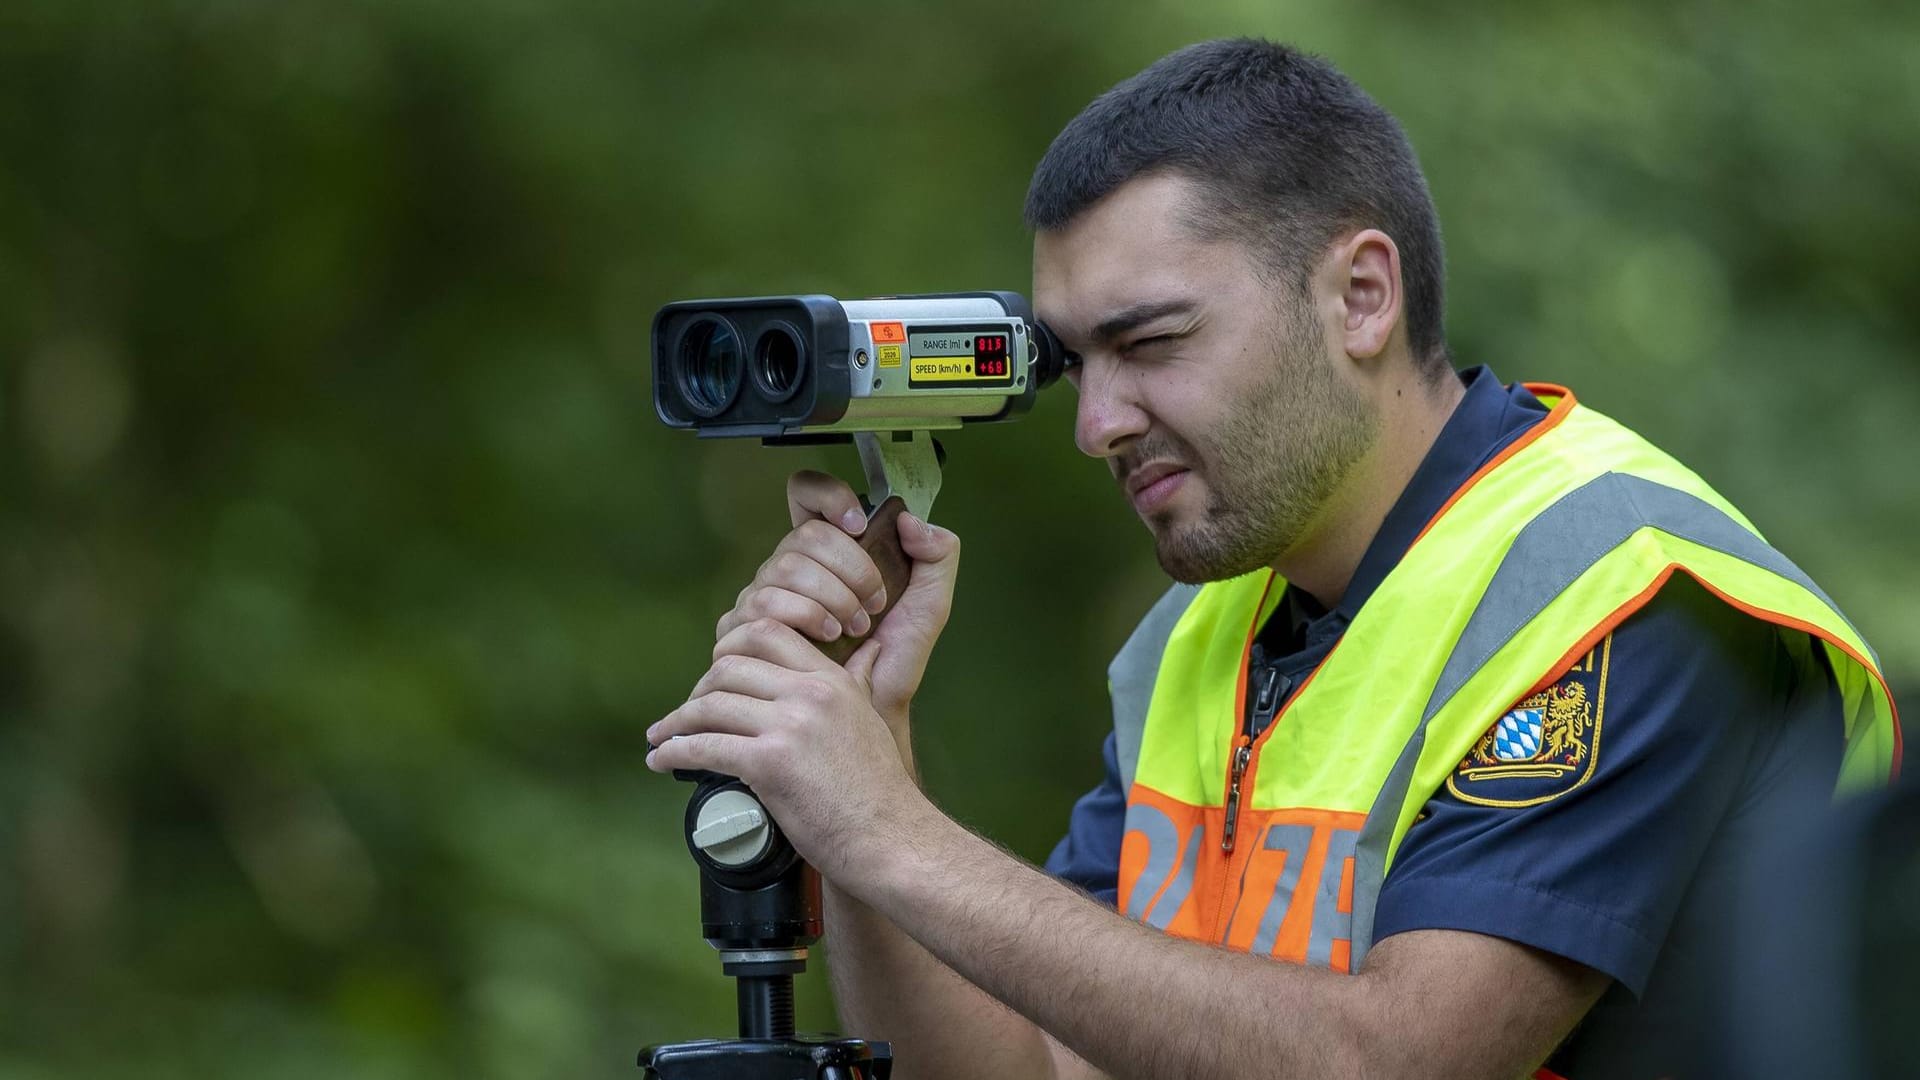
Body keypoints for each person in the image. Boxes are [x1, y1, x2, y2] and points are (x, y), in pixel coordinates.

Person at [645, 38, 1900, 1079]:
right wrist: (869, 745)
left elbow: (1393, 1063)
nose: (1096, 425)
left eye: (1154, 341)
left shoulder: (1623, 594)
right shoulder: (1207, 638)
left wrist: (891, 835)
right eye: (1080, 363)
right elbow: (1031, 1069)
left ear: (1361, 295)